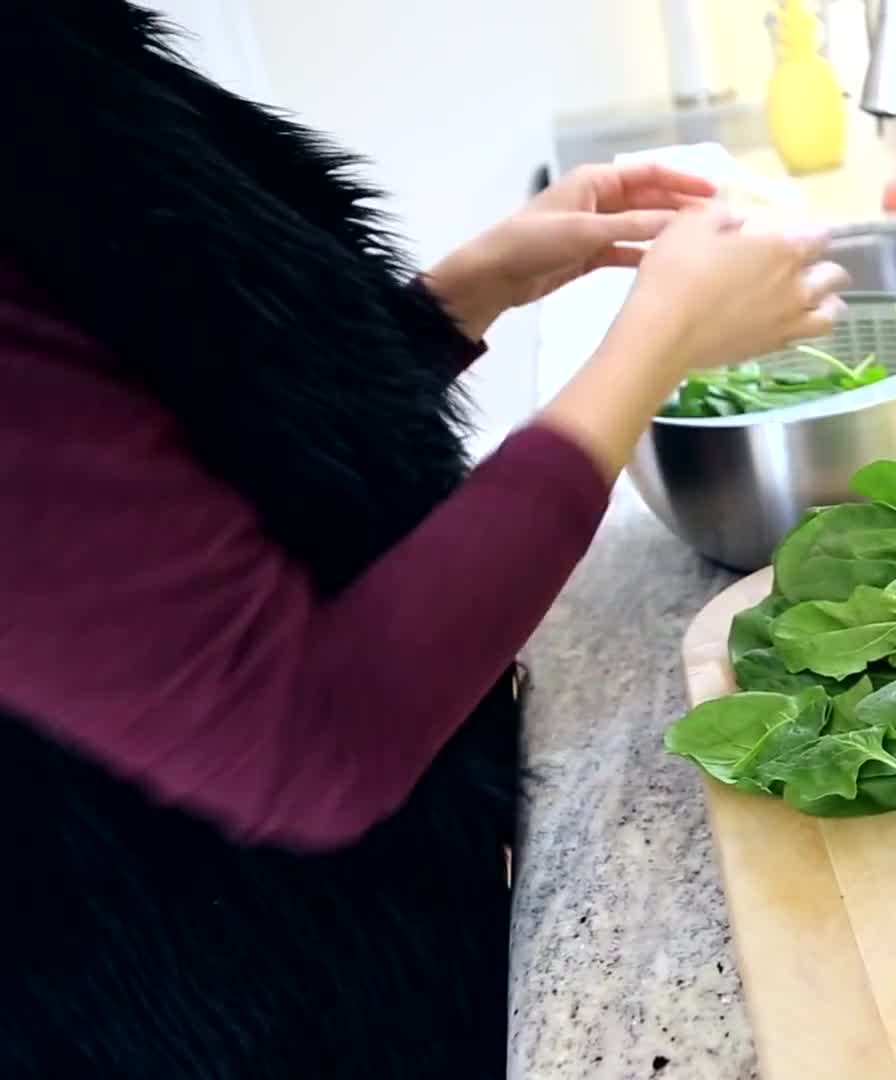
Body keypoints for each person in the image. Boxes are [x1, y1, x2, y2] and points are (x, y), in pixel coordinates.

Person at [0, 4, 849, 1075]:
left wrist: (471, 290)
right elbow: (308, 731)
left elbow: (205, 444)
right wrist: (658, 340)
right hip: (212, 1001)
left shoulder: (58, 48)